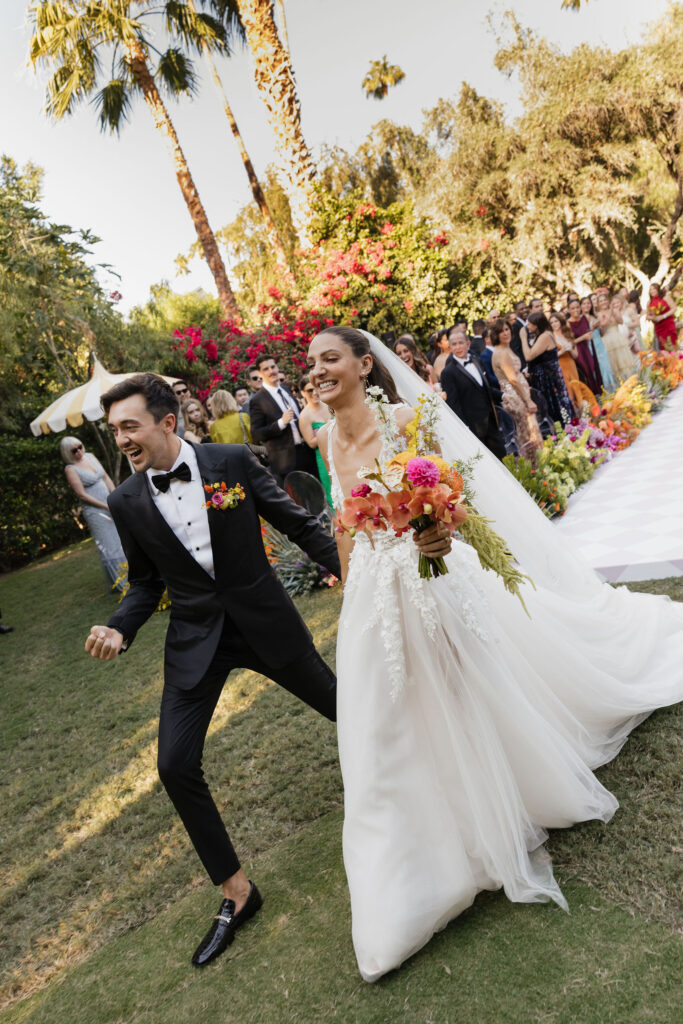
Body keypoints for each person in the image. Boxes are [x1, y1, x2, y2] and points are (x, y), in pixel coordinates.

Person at [306, 324, 683, 983]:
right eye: (310, 362)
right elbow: (346, 526)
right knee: (381, 723)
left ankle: (510, 793)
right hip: (374, 593)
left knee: (467, 686)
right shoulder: (325, 437)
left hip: (434, 578)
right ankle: (411, 866)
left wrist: (434, 538)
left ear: (364, 364)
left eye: (329, 358)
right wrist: (350, 597)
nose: (316, 369)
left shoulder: (402, 419)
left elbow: (453, 499)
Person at [84, 373, 344, 969]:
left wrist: (351, 571)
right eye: (115, 429)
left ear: (166, 422)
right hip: (197, 641)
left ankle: (411, 794)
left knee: (344, 709)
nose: (122, 438)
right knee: (174, 763)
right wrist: (120, 626)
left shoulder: (231, 460)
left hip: (264, 623)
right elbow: (147, 583)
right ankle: (237, 892)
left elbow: (296, 522)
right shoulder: (126, 500)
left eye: (130, 425)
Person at [60, 436, 126, 589]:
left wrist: (115, 497)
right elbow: (82, 494)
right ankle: (121, 582)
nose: (78, 452)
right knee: (109, 543)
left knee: (121, 538)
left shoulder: (90, 456)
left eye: (79, 447)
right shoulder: (71, 469)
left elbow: (105, 477)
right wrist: (105, 506)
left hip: (109, 503)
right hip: (96, 511)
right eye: (73, 450)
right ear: (67, 453)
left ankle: (134, 573)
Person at [249, 354, 317, 485]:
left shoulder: (286, 390)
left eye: (273, 367)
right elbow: (256, 434)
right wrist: (281, 423)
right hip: (285, 461)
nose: (271, 371)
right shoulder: (258, 400)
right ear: (259, 373)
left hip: (307, 452)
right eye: (266, 369)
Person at [439, 332, 505, 459]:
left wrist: (503, 396)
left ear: (468, 344)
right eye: (454, 344)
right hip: (474, 428)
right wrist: (465, 430)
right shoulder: (448, 372)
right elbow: (453, 405)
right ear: (450, 347)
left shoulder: (476, 360)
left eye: (460, 343)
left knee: (503, 457)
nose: (458, 347)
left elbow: (485, 389)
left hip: (491, 420)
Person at [490, 318, 543, 458]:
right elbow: (512, 379)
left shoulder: (506, 349)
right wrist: (528, 400)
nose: (505, 333)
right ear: (496, 335)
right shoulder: (501, 353)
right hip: (515, 397)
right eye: (501, 331)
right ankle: (535, 468)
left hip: (520, 393)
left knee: (530, 431)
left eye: (507, 329)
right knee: (528, 435)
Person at [521, 313, 574, 423]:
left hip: (550, 380)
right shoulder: (540, 335)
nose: (527, 327)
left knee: (557, 410)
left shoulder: (545, 336)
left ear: (537, 325)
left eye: (529, 325)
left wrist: (523, 338)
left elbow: (528, 356)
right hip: (544, 380)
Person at [298, 374, 334, 507]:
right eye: (309, 390)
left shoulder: (329, 404)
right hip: (324, 457)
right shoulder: (304, 416)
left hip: (341, 448)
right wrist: (328, 428)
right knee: (333, 491)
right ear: (302, 393)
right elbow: (311, 443)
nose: (314, 393)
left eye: (316, 388)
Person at [567, 298, 602, 394]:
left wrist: (593, 328)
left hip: (589, 348)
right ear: (568, 310)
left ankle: (599, 396)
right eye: (573, 308)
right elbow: (569, 343)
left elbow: (588, 331)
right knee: (586, 373)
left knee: (594, 370)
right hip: (579, 351)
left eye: (577, 307)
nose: (576, 310)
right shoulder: (567, 323)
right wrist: (583, 337)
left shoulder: (584, 318)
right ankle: (590, 398)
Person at [601, 296, 638, 384]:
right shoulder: (599, 314)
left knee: (625, 362)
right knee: (614, 365)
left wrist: (613, 312)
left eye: (605, 300)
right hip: (608, 340)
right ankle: (619, 384)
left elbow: (621, 322)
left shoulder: (615, 311)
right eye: (601, 301)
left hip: (618, 338)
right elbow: (602, 330)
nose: (603, 302)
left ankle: (631, 382)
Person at [548, 311, 581, 392]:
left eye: (556, 321)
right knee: (567, 391)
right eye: (551, 322)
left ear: (560, 321)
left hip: (571, 365)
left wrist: (570, 349)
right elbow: (550, 358)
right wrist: (562, 351)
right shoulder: (550, 337)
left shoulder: (568, 334)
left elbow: (576, 356)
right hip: (560, 368)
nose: (554, 324)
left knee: (576, 389)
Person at [646, 283, 678, 351]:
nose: (652, 291)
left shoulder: (665, 297)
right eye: (650, 289)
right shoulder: (649, 302)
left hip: (668, 325)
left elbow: (674, 308)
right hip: (658, 328)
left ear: (658, 289)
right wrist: (653, 318)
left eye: (654, 289)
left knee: (671, 346)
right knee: (662, 348)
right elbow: (648, 316)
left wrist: (663, 316)